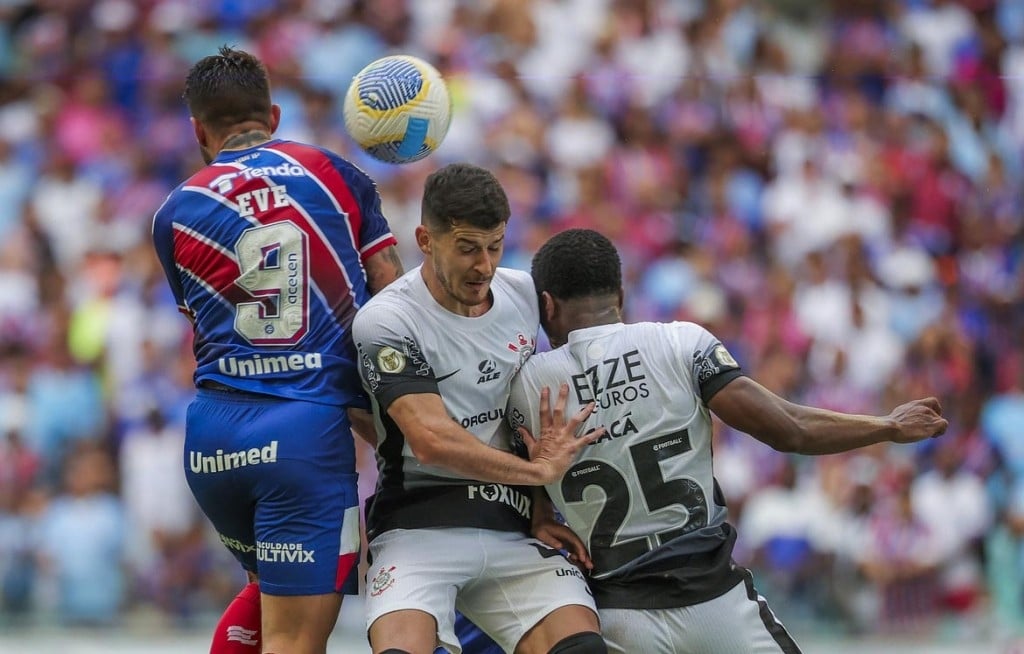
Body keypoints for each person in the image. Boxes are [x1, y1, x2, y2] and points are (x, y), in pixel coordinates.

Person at [508, 228, 949, 654]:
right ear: (620, 296)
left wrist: (541, 506)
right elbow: (789, 428)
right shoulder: (680, 343)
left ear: (546, 307)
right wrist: (886, 425)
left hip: (618, 618)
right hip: (716, 604)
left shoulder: (526, 386)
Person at [151, 46, 404, 654]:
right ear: (275, 113)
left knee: (268, 603)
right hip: (303, 441)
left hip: (212, 442)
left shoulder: (173, 213)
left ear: (197, 130)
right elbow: (397, 302)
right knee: (293, 639)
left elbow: (210, 325)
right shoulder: (335, 173)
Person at [351, 162, 608, 654]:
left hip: (511, 525)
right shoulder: (387, 320)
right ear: (426, 240)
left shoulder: (523, 294)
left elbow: (531, 410)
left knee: (583, 649)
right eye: (467, 248)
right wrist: (537, 475)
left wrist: (540, 506)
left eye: (495, 246)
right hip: (416, 526)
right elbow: (430, 440)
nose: (485, 266)